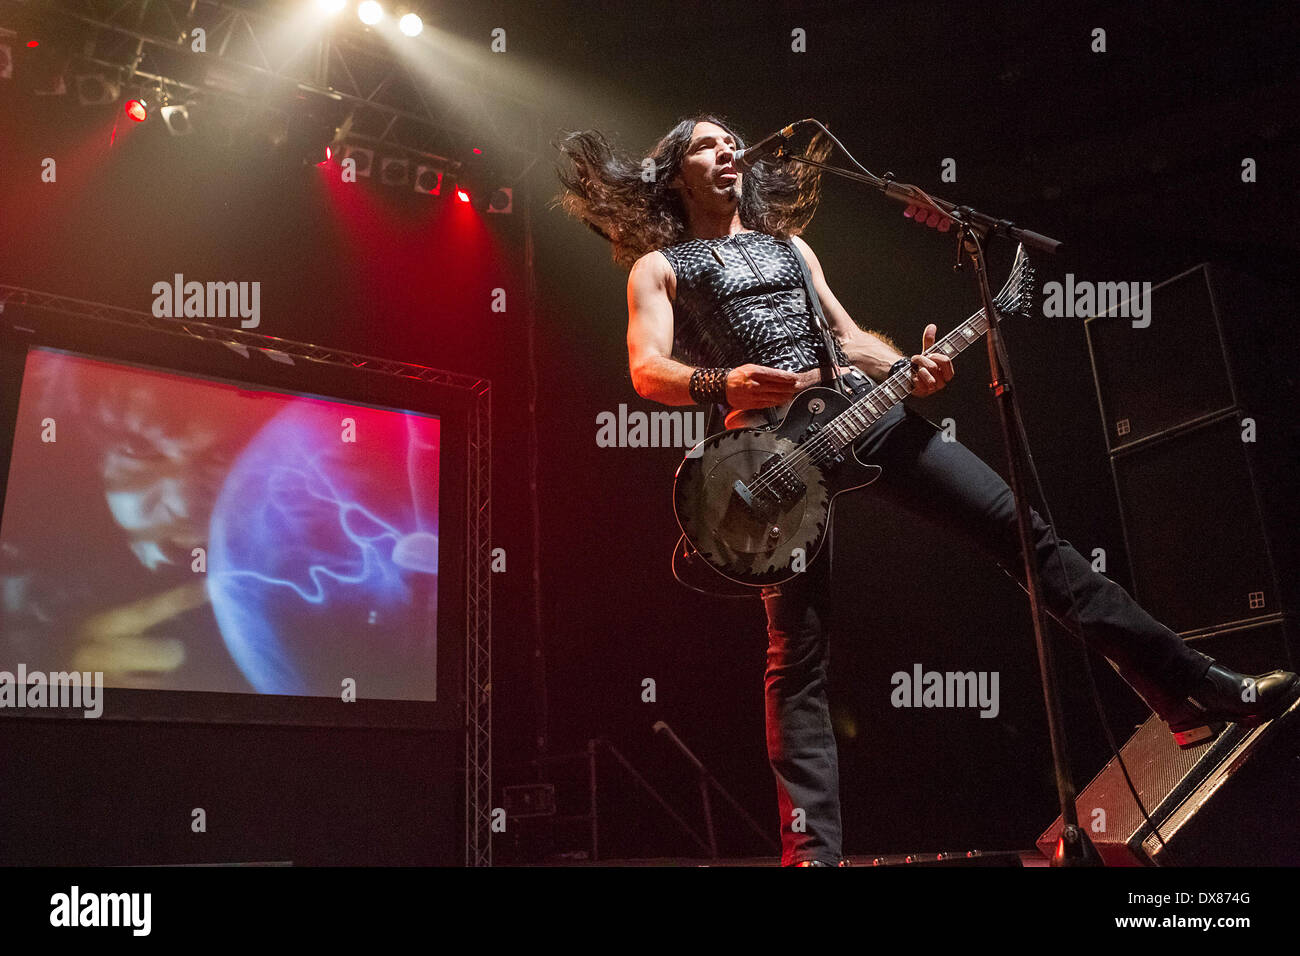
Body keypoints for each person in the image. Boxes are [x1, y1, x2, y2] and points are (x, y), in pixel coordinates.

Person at [553, 113, 1300, 866]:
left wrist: (910, 365)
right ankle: (810, 854)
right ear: (675, 173)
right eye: (705, 145)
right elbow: (647, 370)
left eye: (729, 140)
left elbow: (846, 337)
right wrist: (723, 380)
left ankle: (1193, 689)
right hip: (769, 461)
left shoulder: (790, 246)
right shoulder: (661, 266)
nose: (727, 151)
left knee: (1027, 537)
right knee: (798, 653)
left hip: (858, 414)